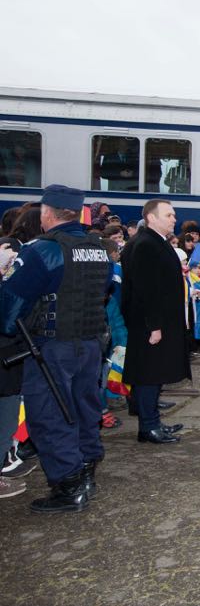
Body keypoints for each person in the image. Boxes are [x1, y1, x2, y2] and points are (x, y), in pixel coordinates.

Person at [0, 185, 113, 512]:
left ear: (47, 213)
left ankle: (69, 486)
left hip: (52, 347)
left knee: (49, 415)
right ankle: (87, 470)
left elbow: (10, 307)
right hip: (91, 343)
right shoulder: (97, 247)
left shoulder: (42, 250)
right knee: (83, 408)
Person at [121, 199, 190, 445]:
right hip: (150, 324)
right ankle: (148, 427)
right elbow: (145, 289)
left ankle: (153, 422)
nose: (174, 218)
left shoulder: (154, 242)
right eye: (169, 215)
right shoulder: (145, 245)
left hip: (158, 321)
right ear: (151, 218)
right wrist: (154, 326)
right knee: (149, 375)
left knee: (154, 373)